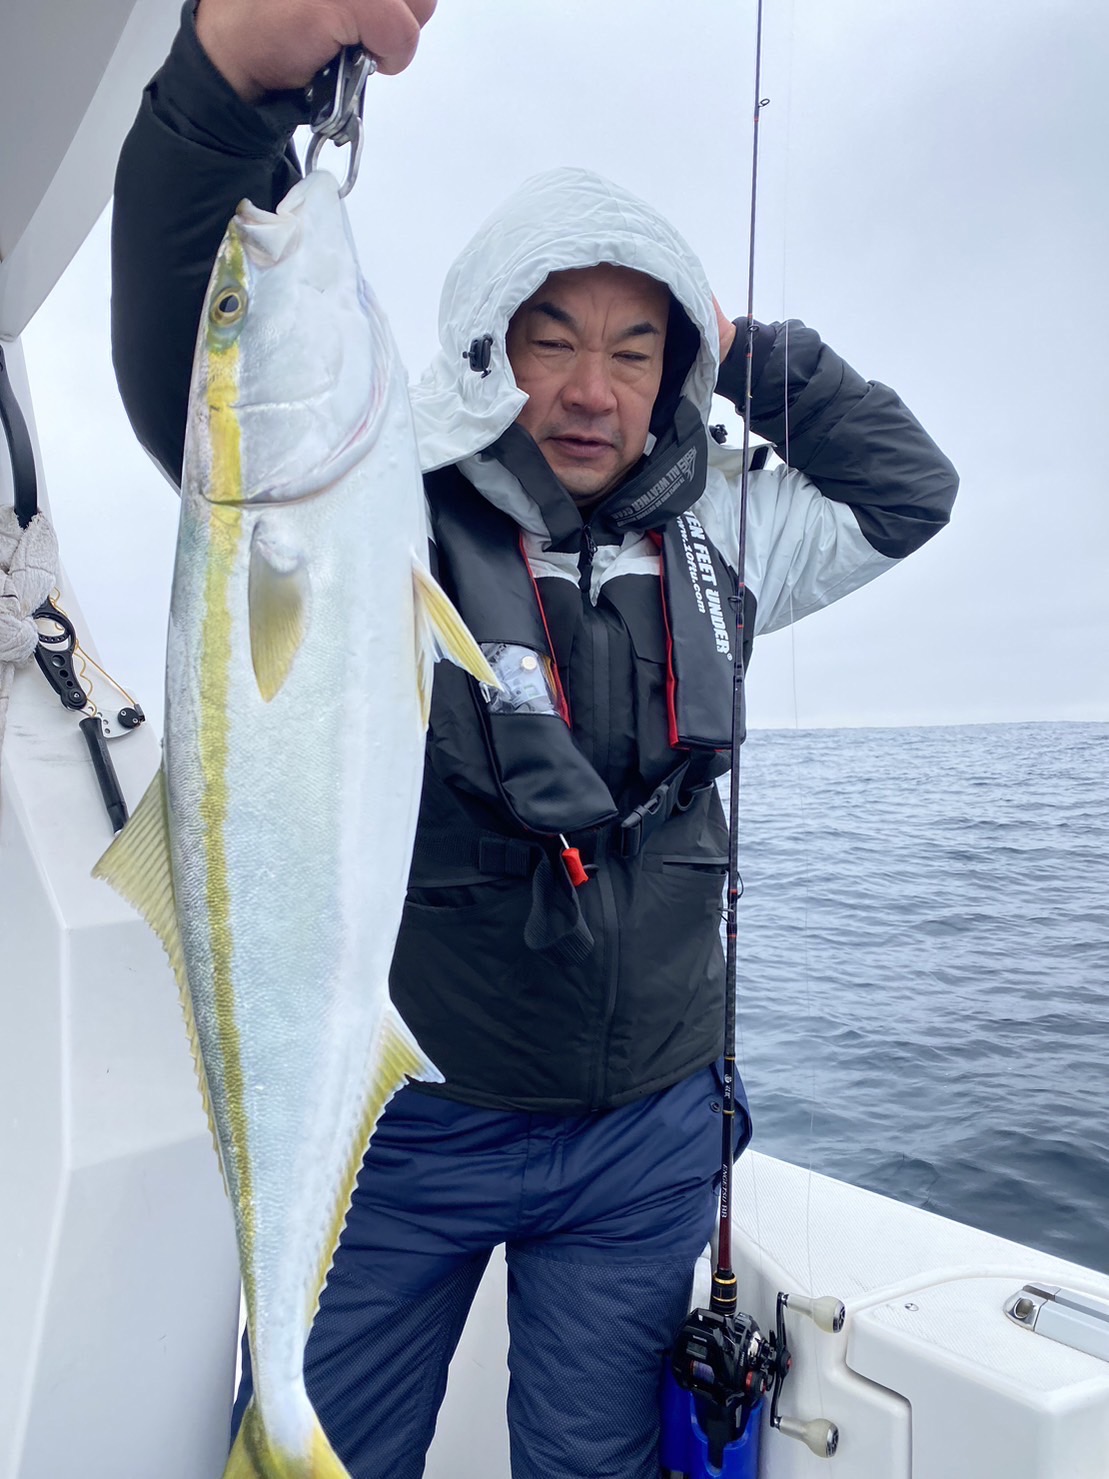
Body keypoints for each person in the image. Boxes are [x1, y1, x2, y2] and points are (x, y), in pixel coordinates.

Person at [110, 3, 959, 1475]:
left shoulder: (725, 533)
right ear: (488, 349)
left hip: (645, 1143)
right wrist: (228, 84)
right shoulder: (388, 496)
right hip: (409, 1124)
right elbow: (207, 382)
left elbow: (907, 491)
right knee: (325, 1440)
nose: (588, 387)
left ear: (674, 373)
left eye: (636, 349)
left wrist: (744, 348)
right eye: (551, 338)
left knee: (592, 1465)